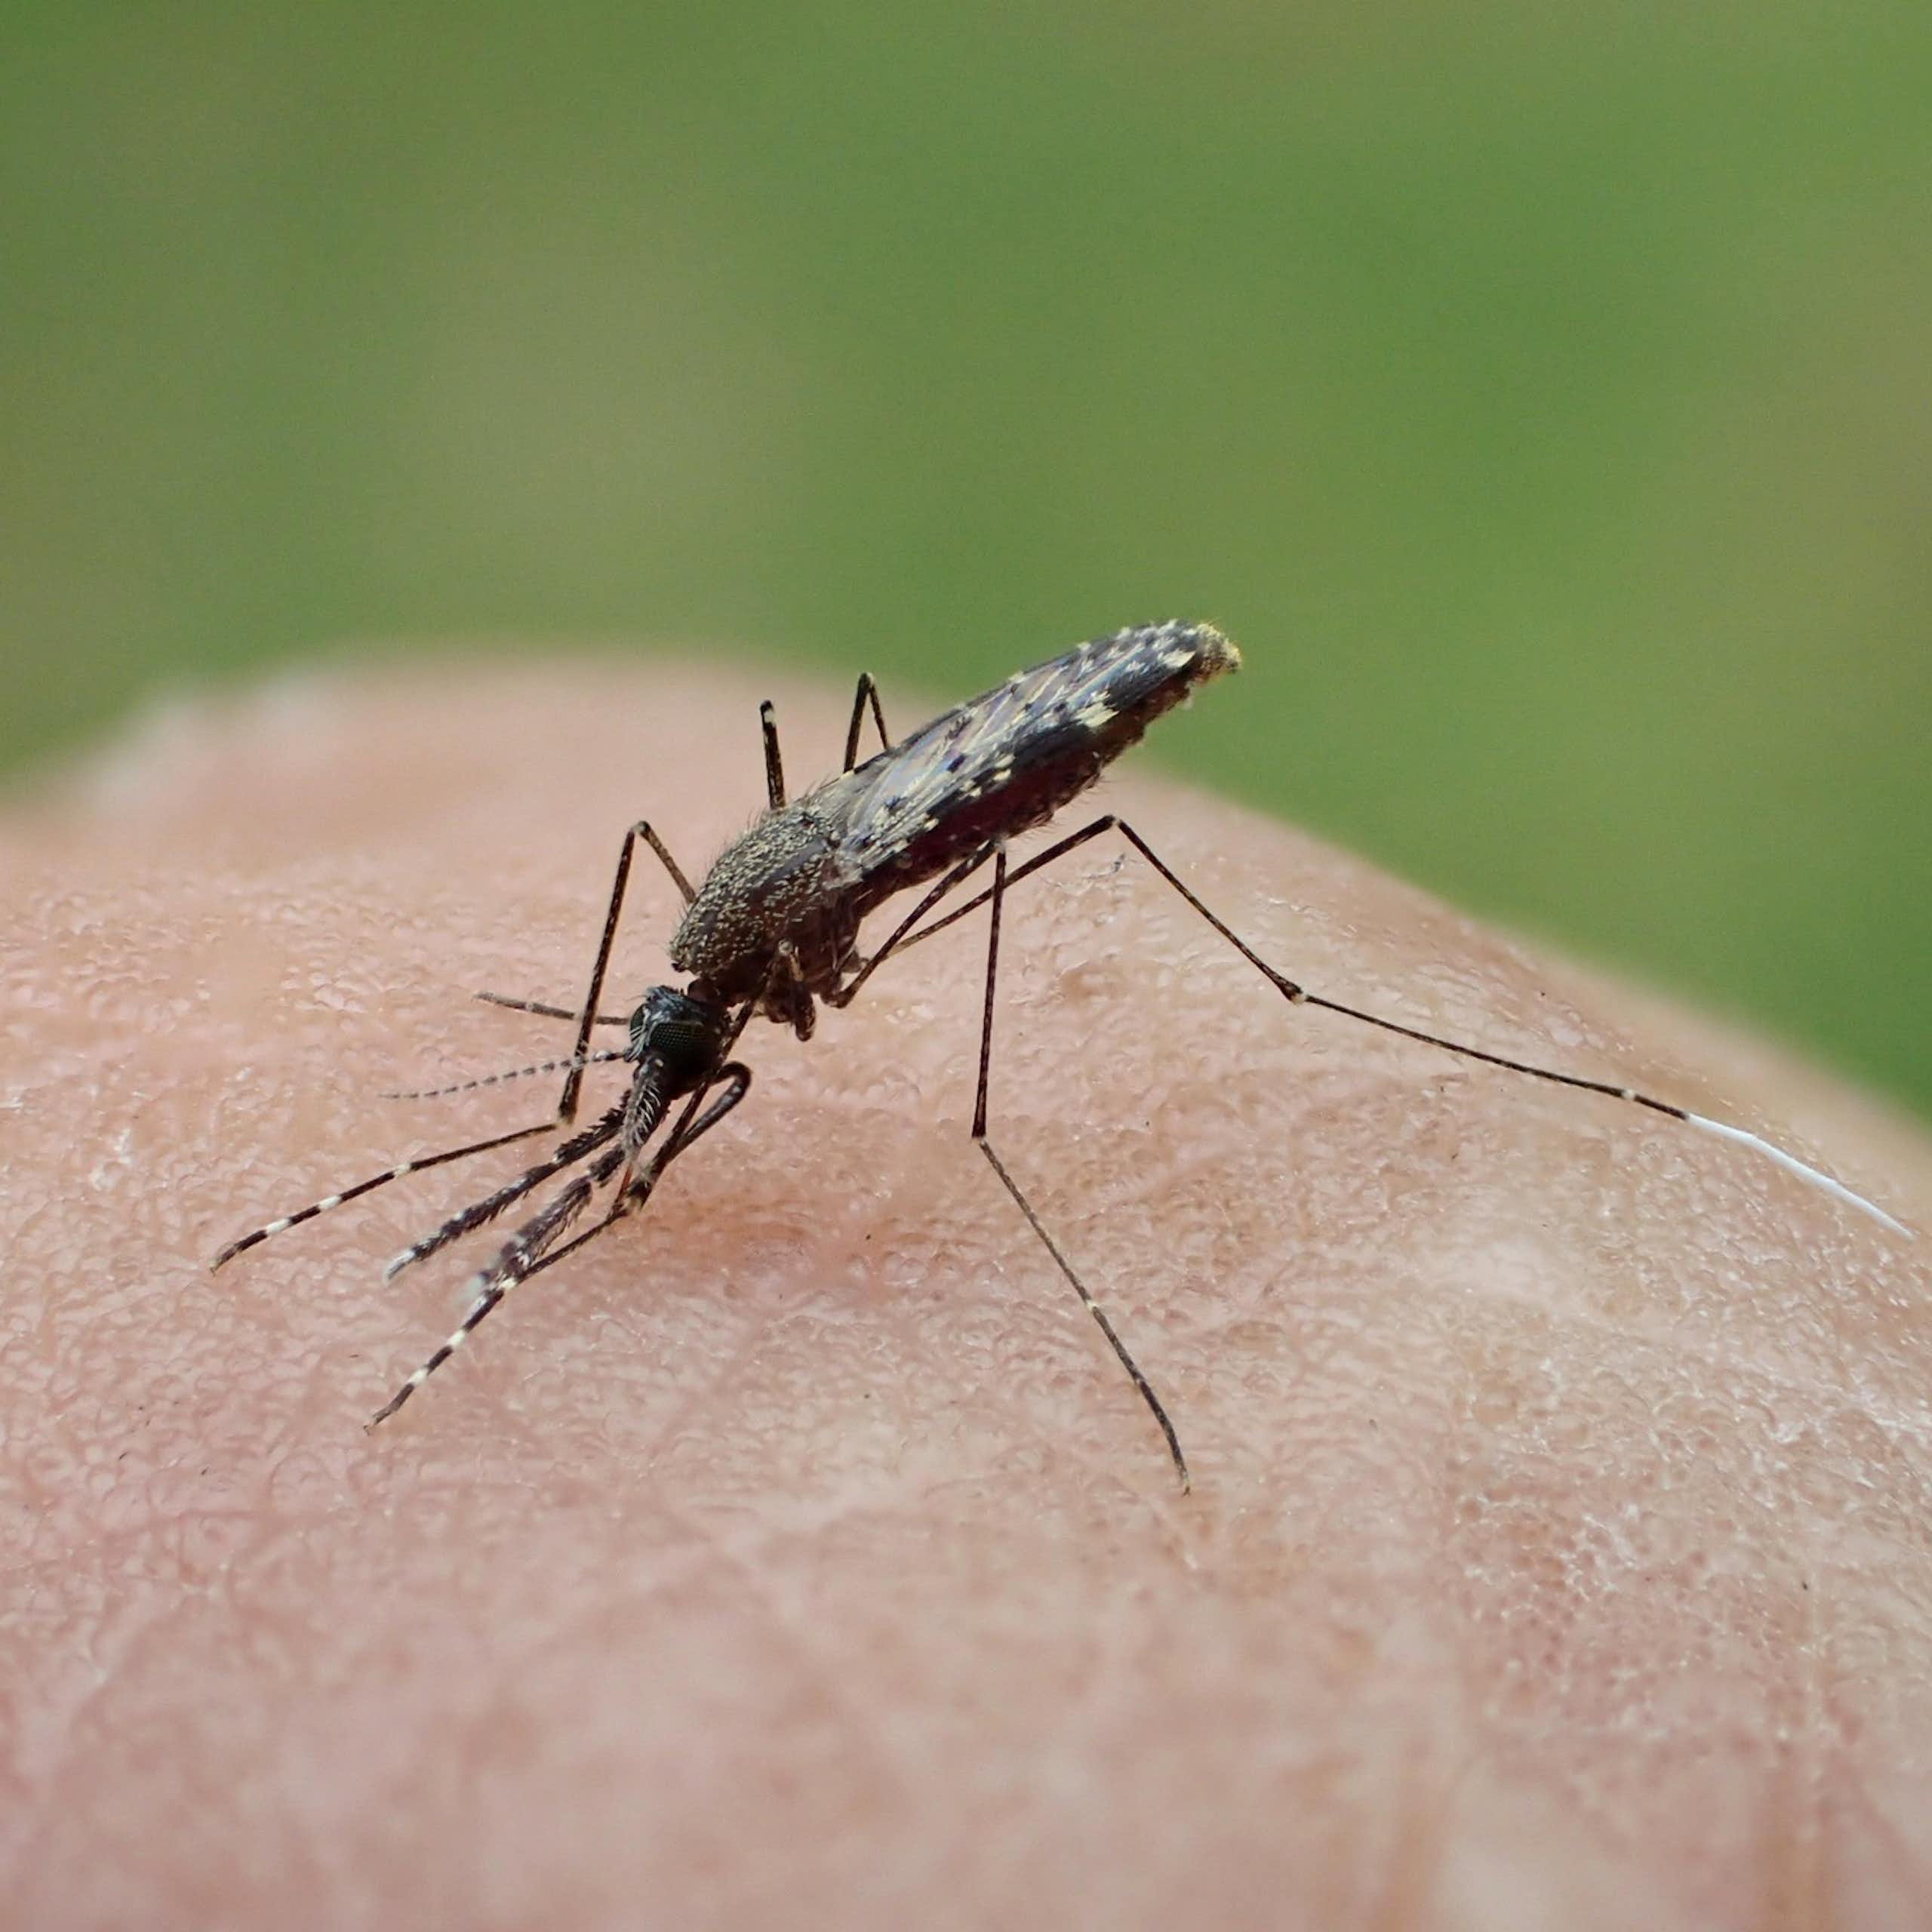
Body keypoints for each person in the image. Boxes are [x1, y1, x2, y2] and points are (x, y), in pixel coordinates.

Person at [6, 658, 1927, 1928]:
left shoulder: (744, 945)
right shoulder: (701, 951)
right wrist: (605, 1067)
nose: (676, 1078)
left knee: (1026, 848)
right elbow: (698, 987)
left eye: (667, 1056)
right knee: (777, 809)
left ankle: (1302, 1003)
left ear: (708, 1004)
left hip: (974, 775)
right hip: (849, 827)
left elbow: (790, 929)